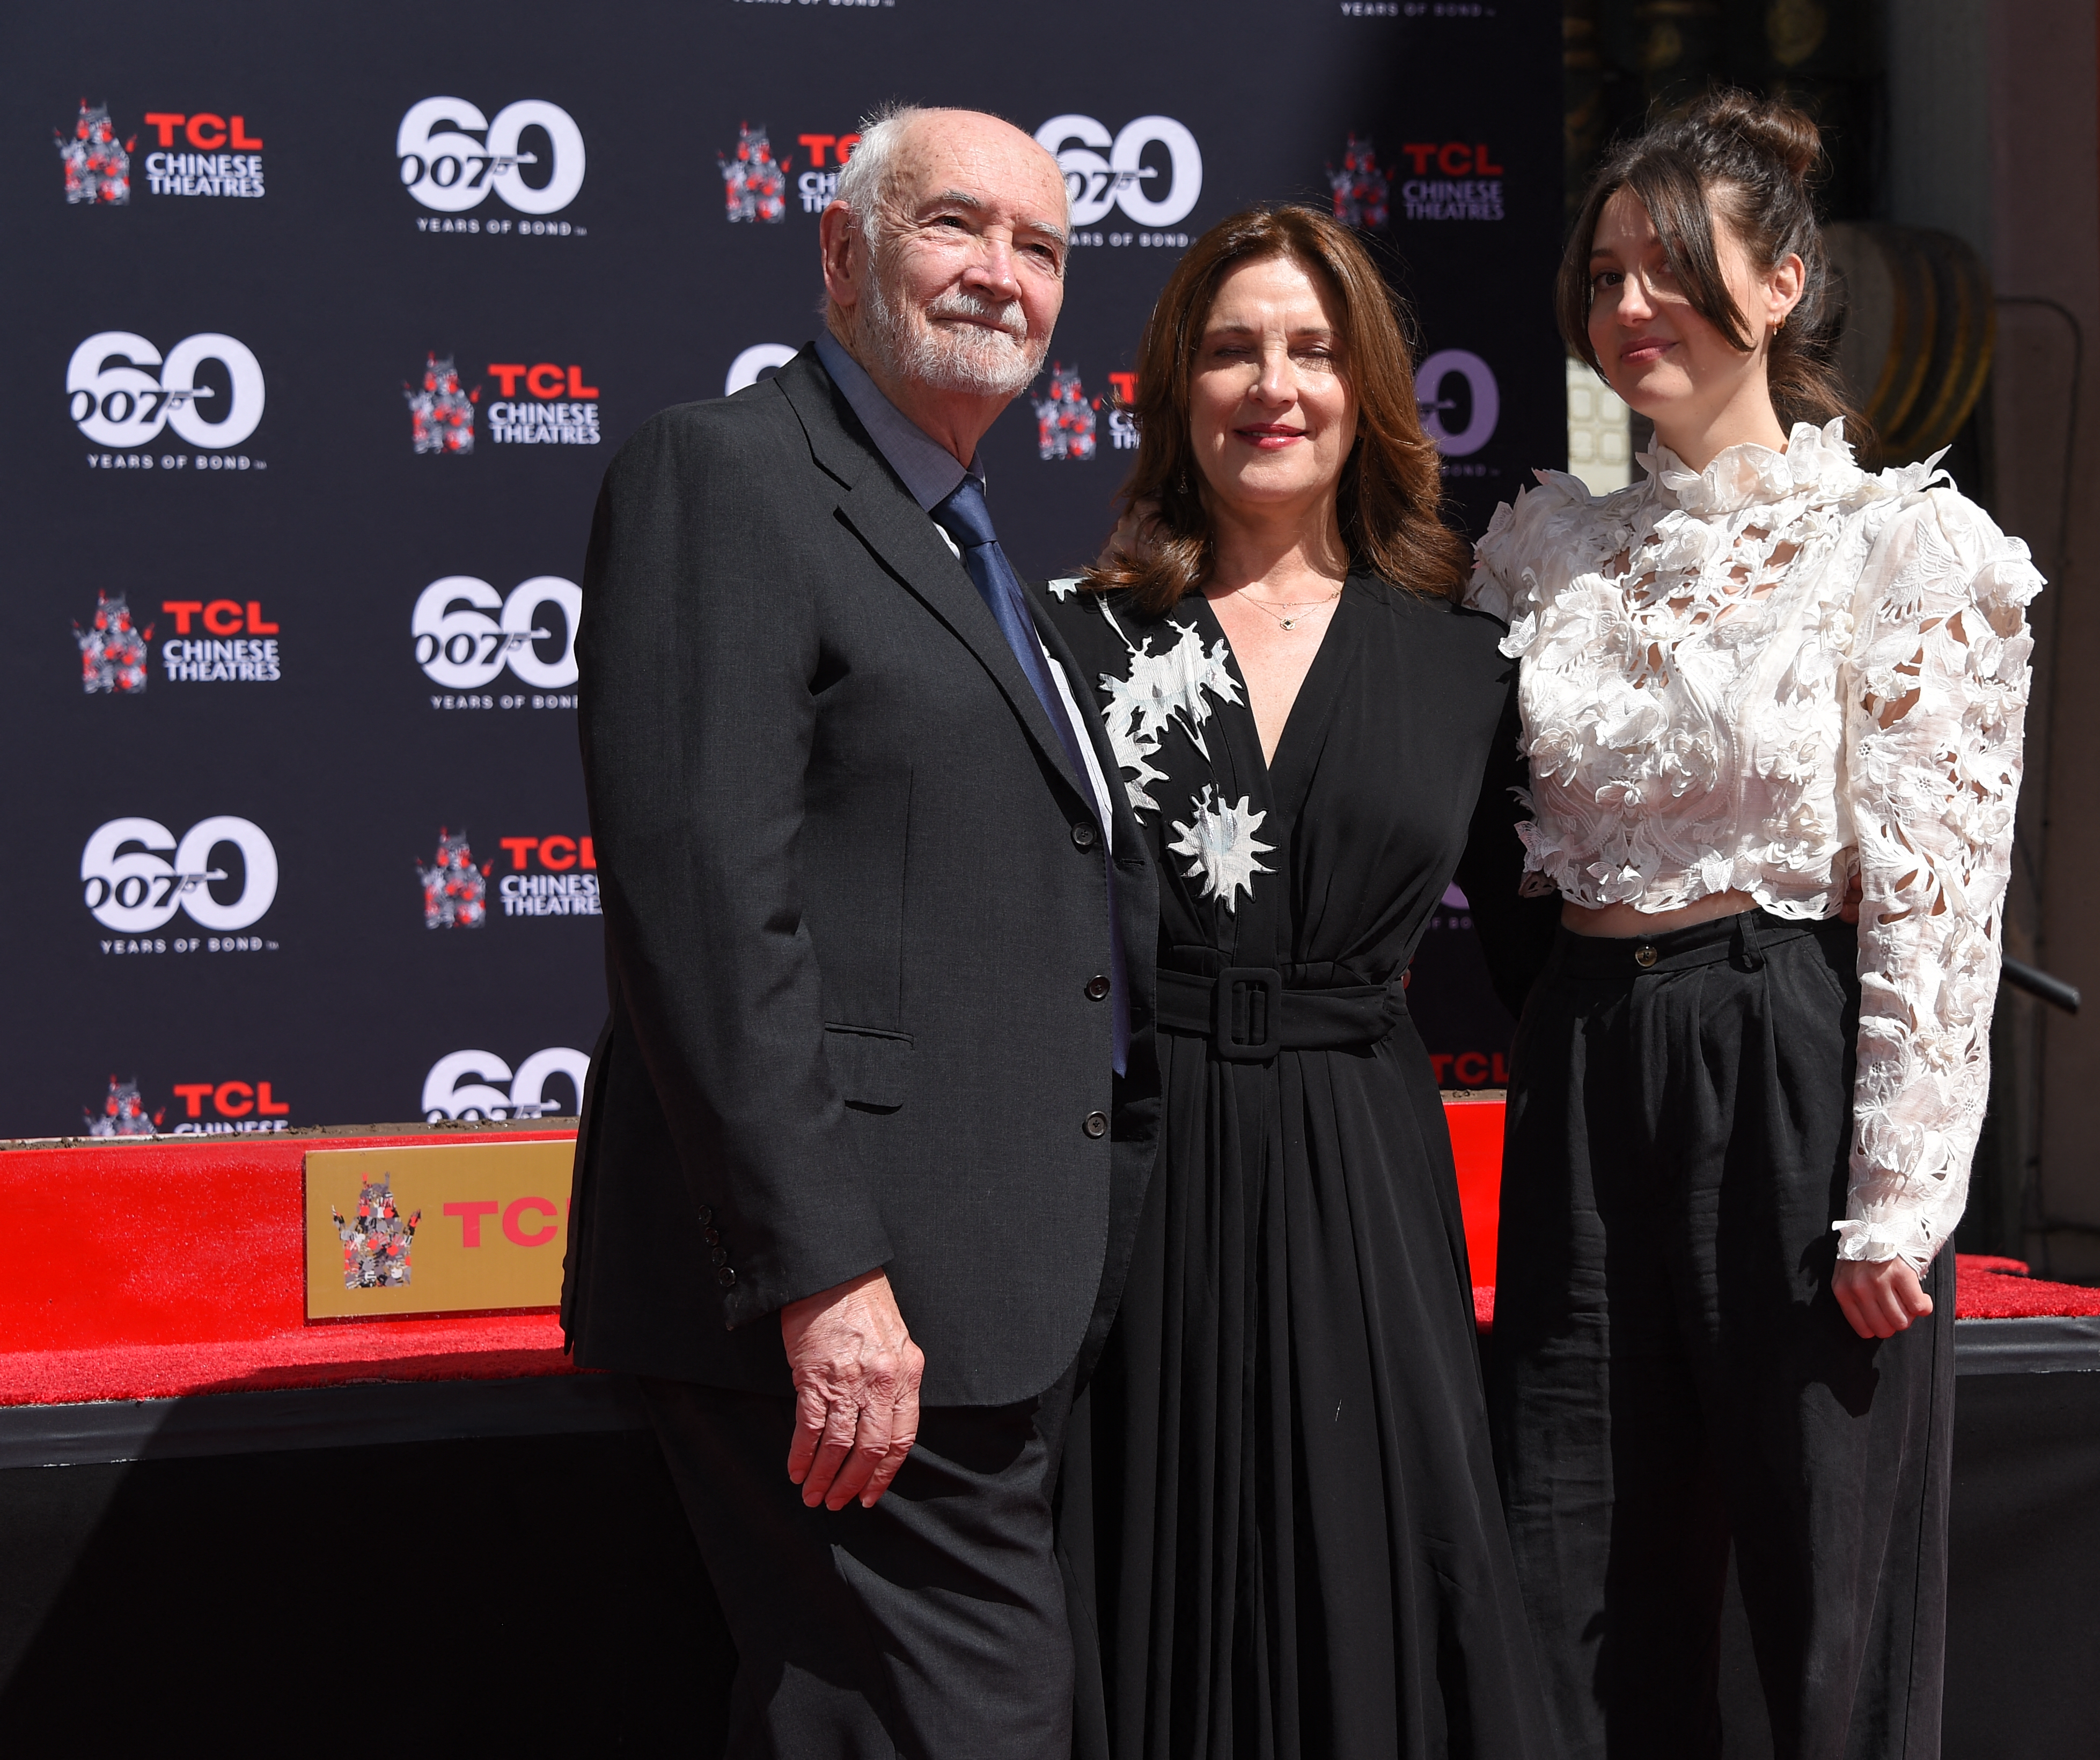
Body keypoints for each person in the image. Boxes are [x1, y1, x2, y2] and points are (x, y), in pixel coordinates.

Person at [562, 103, 1161, 1758]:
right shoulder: (729, 477)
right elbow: (702, 909)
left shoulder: (978, 557)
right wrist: (824, 1276)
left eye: (1041, 249)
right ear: (839, 252)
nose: (1001, 276)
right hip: (849, 1316)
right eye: (953, 226)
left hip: (983, 1303)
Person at [1473, 91, 2042, 1758]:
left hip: (1786, 1049)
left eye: (1669, 270)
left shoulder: (1903, 544)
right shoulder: (1546, 554)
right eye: (1602, 277)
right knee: (1568, 1547)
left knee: (1827, 1575)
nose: (1627, 307)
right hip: (1585, 1067)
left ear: (1782, 282)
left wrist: (1899, 1201)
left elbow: (1942, 888)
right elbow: (1500, 846)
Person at [1043, 205, 1555, 1760]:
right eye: (1233, 348)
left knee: (1378, 1561)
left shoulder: (1467, 658)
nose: (1274, 385)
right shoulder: (1079, 642)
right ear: (1175, 389)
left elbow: (1555, 969)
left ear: (1368, 390)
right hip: (1138, 1171)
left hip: (1362, 1179)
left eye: (1314, 351)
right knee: (1138, 1560)